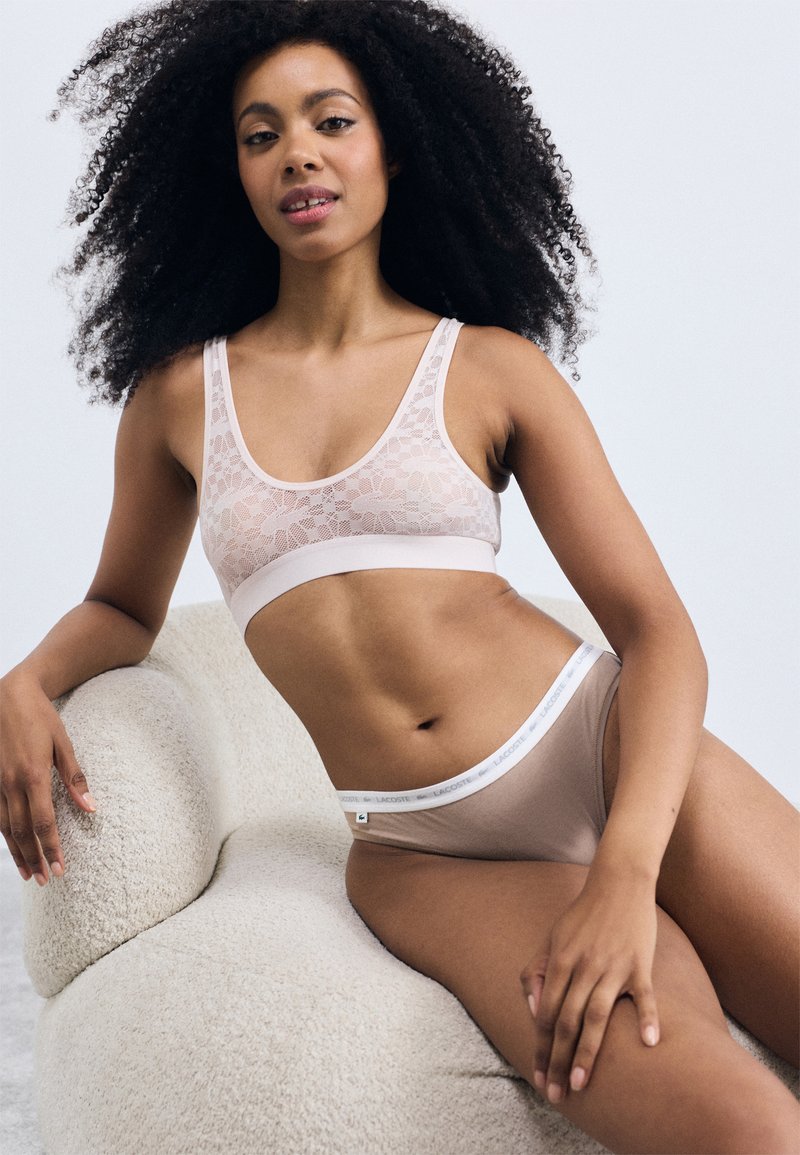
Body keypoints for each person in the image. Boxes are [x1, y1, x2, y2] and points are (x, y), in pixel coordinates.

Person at [1, 1, 797, 1151]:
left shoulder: (491, 370)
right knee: (748, 1131)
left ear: (396, 146)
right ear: (228, 172)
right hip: (429, 855)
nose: (297, 154)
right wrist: (26, 681)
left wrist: (625, 872)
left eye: (331, 121)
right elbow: (122, 606)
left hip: (607, 753)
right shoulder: (178, 399)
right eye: (260, 134)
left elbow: (654, 630)